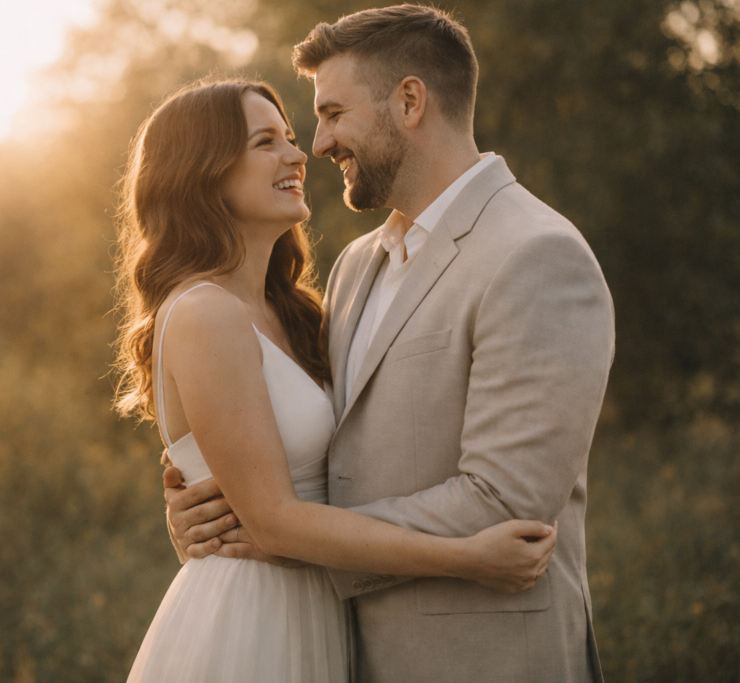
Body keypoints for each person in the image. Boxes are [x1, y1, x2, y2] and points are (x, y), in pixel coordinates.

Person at [165, 6, 615, 683]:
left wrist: (281, 530)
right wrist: (209, 493)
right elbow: (296, 432)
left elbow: (507, 504)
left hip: (483, 662)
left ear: (409, 101)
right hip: (338, 653)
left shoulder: (535, 254)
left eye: (334, 113)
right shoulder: (355, 266)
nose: (318, 145)